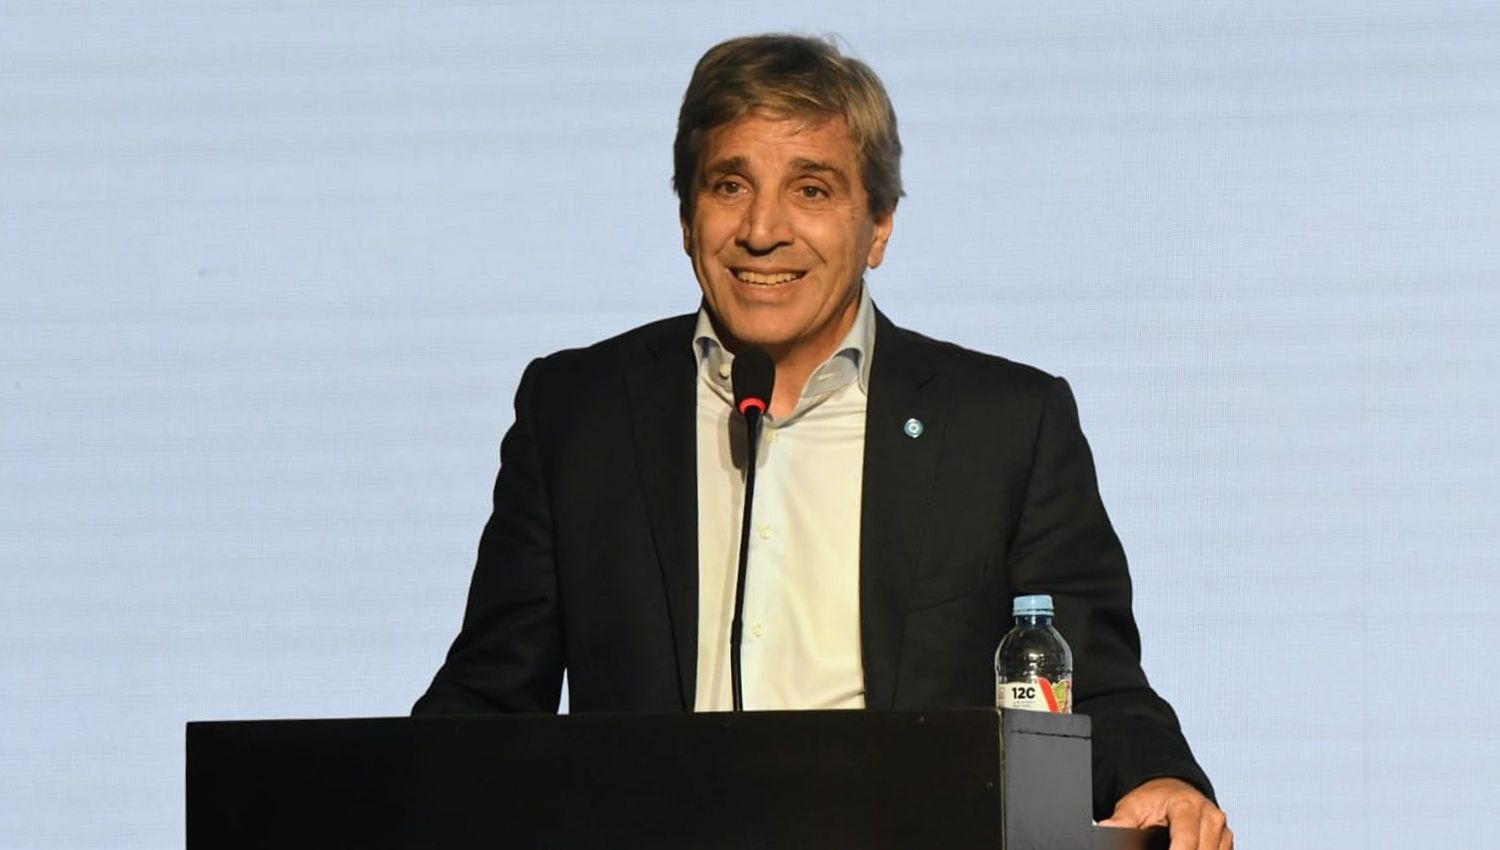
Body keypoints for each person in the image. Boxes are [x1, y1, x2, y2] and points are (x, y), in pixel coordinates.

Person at [416, 33, 1232, 850]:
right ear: (687, 218)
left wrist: (1161, 778)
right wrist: (384, 795)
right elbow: (488, 699)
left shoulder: (1005, 425)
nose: (762, 230)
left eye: (811, 189)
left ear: (878, 226)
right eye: (730, 185)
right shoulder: (579, 414)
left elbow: (1093, 684)